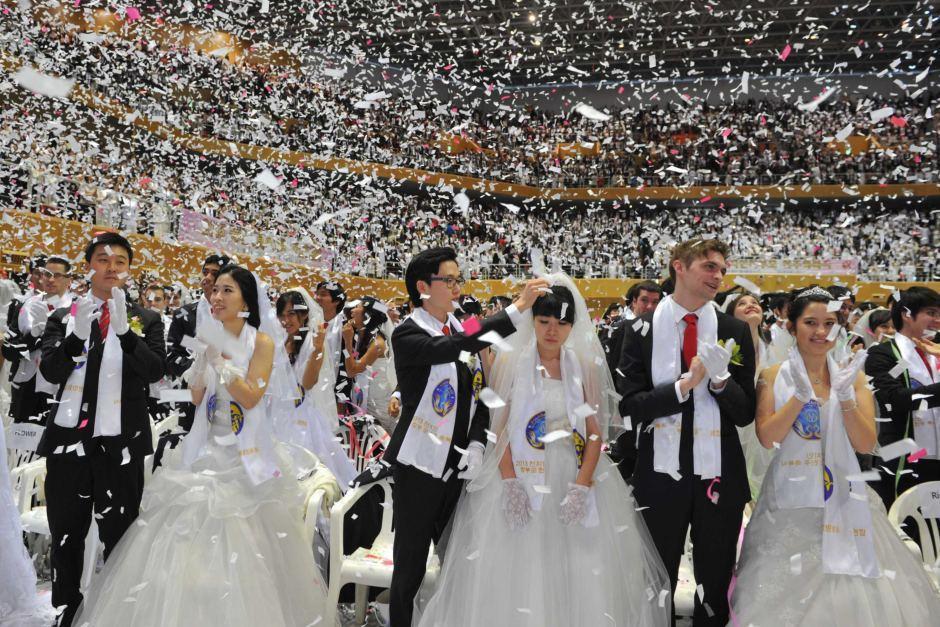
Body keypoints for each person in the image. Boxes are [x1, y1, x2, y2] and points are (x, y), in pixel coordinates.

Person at [73, 265, 329, 626]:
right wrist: (200, 363)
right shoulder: (211, 335)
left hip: (244, 455)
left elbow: (252, 397)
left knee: (244, 547)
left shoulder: (261, 342)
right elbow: (195, 398)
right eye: (215, 291)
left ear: (246, 299)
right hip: (205, 449)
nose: (216, 297)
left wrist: (220, 363)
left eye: (226, 291)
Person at [417, 278, 670, 627]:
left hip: (570, 471)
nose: (553, 331)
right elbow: (499, 429)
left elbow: (594, 434)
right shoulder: (511, 363)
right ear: (532, 321)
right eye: (544, 321)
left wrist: (582, 486)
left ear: (572, 325)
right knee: (518, 570)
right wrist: (509, 482)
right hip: (519, 470)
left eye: (562, 323)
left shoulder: (582, 366)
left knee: (575, 569)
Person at [730, 287, 940, 625]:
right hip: (790, 502)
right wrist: (799, 397)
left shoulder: (853, 377)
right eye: (811, 322)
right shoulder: (771, 376)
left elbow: (864, 443)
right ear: (792, 326)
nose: (821, 332)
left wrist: (844, 398)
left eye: (829, 323)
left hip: (843, 494)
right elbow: (768, 438)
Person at [384, 247, 548, 627]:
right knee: (409, 564)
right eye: (450, 279)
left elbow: (477, 389)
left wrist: (476, 441)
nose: (458, 287)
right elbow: (453, 349)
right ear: (423, 287)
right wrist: (517, 308)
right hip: (420, 464)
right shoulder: (409, 334)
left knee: (456, 559)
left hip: (458, 465)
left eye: (460, 279)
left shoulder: (461, 325)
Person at [616, 239, 756, 626]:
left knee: (715, 581)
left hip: (719, 474)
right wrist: (684, 387)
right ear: (679, 266)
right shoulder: (639, 330)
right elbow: (630, 407)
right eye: (710, 267)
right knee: (656, 577)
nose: (719, 276)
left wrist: (721, 383)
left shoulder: (734, 330)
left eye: (723, 270)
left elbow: (746, 415)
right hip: (660, 475)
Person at [38, 232, 166, 627]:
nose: (112, 268)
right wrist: (76, 335)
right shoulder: (65, 315)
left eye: (120, 262)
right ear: (90, 265)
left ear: (129, 270)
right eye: (103, 260)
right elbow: (51, 370)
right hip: (69, 441)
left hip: (121, 441)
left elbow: (156, 371)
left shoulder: (147, 319)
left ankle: (115, 613)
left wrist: (128, 335)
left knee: (120, 534)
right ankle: (66, 608)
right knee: (66, 530)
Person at [864, 286, 940, 508]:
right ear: (907, 314)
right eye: (931, 313)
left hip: (936, 457)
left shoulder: (936, 350)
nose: (937, 320)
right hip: (902, 457)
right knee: (907, 531)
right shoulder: (883, 353)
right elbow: (895, 399)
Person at [275, 287, 357, 487]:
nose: (286, 320)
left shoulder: (313, 343)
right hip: (276, 412)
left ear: (304, 315)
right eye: (282, 315)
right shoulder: (279, 341)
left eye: (291, 314)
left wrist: (317, 350)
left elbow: (308, 383)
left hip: (301, 416)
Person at [165, 254, 229, 430]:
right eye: (205, 272)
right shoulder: (183, 315)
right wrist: (196, 372)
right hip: (191, 395)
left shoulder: (234, 317)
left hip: (226, 395)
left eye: (214, 274)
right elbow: (172, 356)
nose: (207, 278)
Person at [721, 289, 772, 501]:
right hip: (736, 424)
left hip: (767, 424)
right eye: (742, 303)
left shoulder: (775, 348)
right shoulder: (725, 350)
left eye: (754, 302)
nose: (751, 305)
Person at [342, 296, 397, 434]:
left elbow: (351, 371)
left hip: (377, 402)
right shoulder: (362, 336)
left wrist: (347, 342)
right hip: (364, 397)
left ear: (368, 315)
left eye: (357, 307)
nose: (352, 311)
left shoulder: (377, 343)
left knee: (379, 441)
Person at [314, 279, 347, 411]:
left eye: (323, 294)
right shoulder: (310, 323)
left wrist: (341, 397)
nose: (318, 298)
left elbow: (345, 362)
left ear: (337, 301)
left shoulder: (345, 326)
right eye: (317, 294)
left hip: (334, 390)